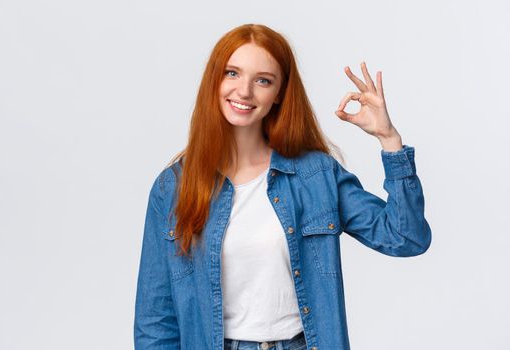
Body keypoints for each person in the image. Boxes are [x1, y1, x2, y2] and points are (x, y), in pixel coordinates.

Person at [134, 23, 431, 350]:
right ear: (214, 81)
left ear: (278, 94)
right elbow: (155, 320)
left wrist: (389, 141)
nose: (244, 91)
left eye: (263, 80)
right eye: (232, 73)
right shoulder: (173, 188)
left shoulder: (315, 174)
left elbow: (406, 238)